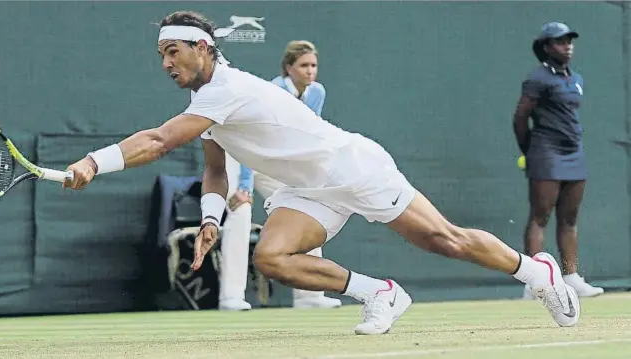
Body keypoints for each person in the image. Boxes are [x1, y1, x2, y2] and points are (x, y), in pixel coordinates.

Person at [64, 11, 580, 335]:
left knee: (443, 240)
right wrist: (211, 220)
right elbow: (216, 171)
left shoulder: (227, 88)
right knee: (272, 258)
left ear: (202, 48)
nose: (165, 63)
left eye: (172, 52)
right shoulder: (206, 102)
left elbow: (156, 141)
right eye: (160, 55)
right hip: (306, 188)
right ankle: (378, 293)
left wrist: (94, 161)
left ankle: (538, 273)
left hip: (351, 167)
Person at [218, 40, 342, 310]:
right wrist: (244, 187)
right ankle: (230, 297)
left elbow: (309, 136)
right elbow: (251, 139)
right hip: (241, 158)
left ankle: (310, 296)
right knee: (240, 213)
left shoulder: (316, 92)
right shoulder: (273, 91)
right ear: (289, 68)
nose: (310, 71)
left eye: (313, 65)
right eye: (304, 65)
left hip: (273, 160)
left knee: (305, 211)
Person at [512, 22, 603, 299]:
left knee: (570, 218)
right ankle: (535, 282)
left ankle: (571, 276)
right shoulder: (538, 79)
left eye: (569, 41)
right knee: (540, 217)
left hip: (574, 154)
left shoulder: (576, 79)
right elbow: (519, 119)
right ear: (546, 47)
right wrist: (531, 151)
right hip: (545, 154)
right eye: (561, 42)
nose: (568, 46)